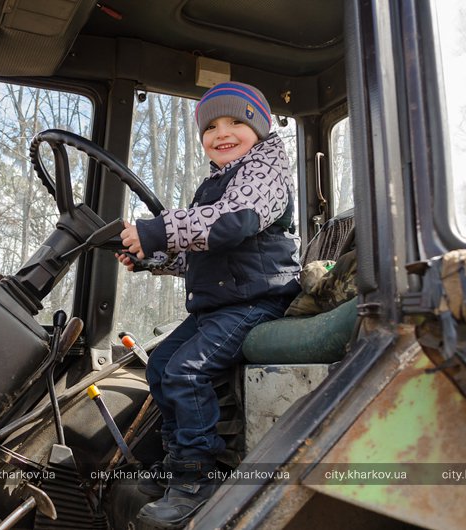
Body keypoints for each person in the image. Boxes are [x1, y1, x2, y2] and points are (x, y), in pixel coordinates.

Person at [116, 81, 301, 528]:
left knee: (187, 371)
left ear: (259, 128)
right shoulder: (216, 183)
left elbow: (231, 225)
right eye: (212, 126)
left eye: (237, 121)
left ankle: (199, 479)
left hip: (258, 301)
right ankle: (180, 462)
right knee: (160, 365)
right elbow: (205, 250)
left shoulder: (265, 174)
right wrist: (151, 257)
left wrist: (157, 230)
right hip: (221, 304)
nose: (223, 132)